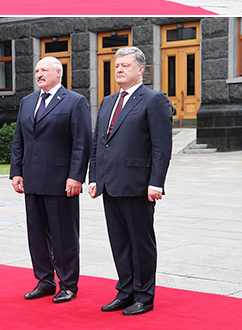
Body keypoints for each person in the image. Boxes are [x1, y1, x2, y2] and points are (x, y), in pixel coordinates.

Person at [89, 46, 173, 316]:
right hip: (110, 184)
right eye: (116, 66)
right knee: (120, 242)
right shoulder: (107, 102)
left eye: (125, 65)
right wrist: (94, 177)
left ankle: (144, 296)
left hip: (138, 185)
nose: (119, 70)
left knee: (141, 243)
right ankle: (125, 291)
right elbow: (98, 143)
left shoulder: (153, 100)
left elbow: (161, 146)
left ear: (141, 70)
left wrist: (156, 182)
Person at [10, 54, 92, 302]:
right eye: (36, 71)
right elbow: (19, 139)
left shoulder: (74, 102)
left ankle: (68, 284)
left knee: (63, 234)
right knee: (36, 234)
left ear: (59, 73)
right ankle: (44, 280)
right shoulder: (27, 102)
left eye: (44, 70)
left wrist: (76, 176)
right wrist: (16, 171)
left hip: (60, 181)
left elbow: (82, 143)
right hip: (32, 180)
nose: (39, 75)